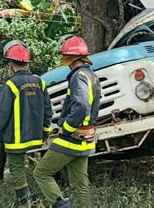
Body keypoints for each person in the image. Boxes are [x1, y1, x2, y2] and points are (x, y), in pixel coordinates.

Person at [34, 36, 101, 208]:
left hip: (72, 138)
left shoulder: (78, 76)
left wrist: (66, 127)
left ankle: (60, 205)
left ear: (70, 58)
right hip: (86, 138)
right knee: (80, 183)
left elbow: (82, 105)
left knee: (41, 172)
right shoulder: (91, 75)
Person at [0, 41, 52, 206]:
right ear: (27, 62)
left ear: (11, 64)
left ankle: (24, 201)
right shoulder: (39, 81)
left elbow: (1, 115)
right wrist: (45, 131)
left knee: (17, 168)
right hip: (36, 135)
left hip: (16, 138)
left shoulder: (11, 85)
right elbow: (47, 109)